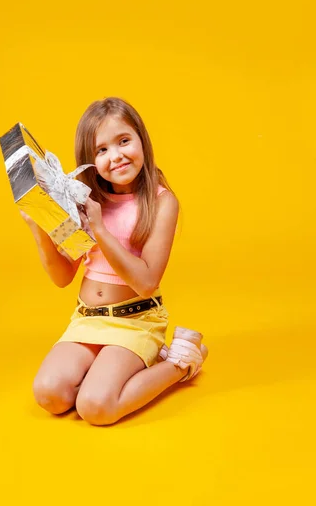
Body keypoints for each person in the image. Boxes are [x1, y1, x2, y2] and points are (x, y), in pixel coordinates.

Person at [20, 97, 208, 425]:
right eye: (101, 150)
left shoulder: (162, 202)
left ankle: (180, 362)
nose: (116, 156)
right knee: (49, 393)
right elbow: (63, 277)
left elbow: (147, 281)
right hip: (86, 319)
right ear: (90, 160)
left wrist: (100, 229)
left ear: (142, 140)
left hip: (136, 321)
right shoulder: (83, 199)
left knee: (96, 407)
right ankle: (108, 365)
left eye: (124, 141)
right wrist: (39, 226)